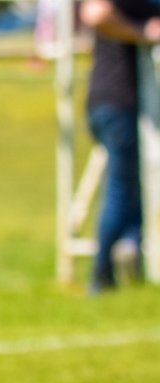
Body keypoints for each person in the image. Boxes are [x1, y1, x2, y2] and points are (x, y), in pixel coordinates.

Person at [81, 0, 160, 290]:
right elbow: (96, 12)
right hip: (117, 100)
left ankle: (130, 257)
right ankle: (102, 274)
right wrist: (141, 32)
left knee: (131, 188)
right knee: (122, 188)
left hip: (124, 101)